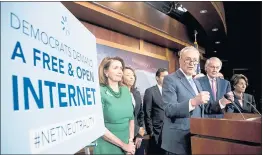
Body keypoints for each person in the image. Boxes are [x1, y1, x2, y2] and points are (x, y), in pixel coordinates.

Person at [161, 46, 211, 155]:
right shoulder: (170, 79)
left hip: (195, 138)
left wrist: (222, 102)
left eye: (195, 61)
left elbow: (203, 108)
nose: (191, 63)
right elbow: (169, 109)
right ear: (180, 60)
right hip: (178, 142)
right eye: (188, 59)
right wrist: (193, 102)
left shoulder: (196, 82)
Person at [94, 57, 135, 154]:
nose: (120, 71)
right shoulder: (99, 91)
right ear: (106, 72)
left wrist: (130, 142)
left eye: (121, 68)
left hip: (127, 146)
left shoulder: (125, 90)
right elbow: (99, 127)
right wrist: (124, 146)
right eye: (115, 68)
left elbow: (131, 118)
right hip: (106, 147)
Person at [143, 68, 168, 155]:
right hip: (156, 133)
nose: (166, 79)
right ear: (157, 78)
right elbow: (147, 113)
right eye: (164, 76)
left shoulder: (170, 92)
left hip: (169, 132)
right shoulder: (150, 91)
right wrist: (151, 132)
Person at [123, 67, 145, 155]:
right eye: (128, 75)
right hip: (124, 135)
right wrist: (137, 129)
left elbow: (141, 114)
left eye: (133, 75)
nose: (132, 77)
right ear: (121, 77)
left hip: (137, 136)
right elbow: (123, 117)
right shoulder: (118, 94)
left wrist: (140, 135)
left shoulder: (136, 93)